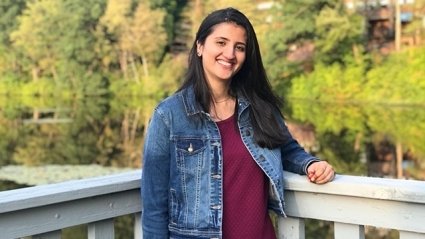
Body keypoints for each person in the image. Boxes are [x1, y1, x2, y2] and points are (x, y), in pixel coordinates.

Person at [141, 7, 335, 239]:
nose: (230, 54)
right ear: (200, 46)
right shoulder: (168, 115)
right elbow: (154, 206)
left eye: (239, 47)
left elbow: (286, 149)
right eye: (221, 42)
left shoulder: (259, 107)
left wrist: (311, 164)